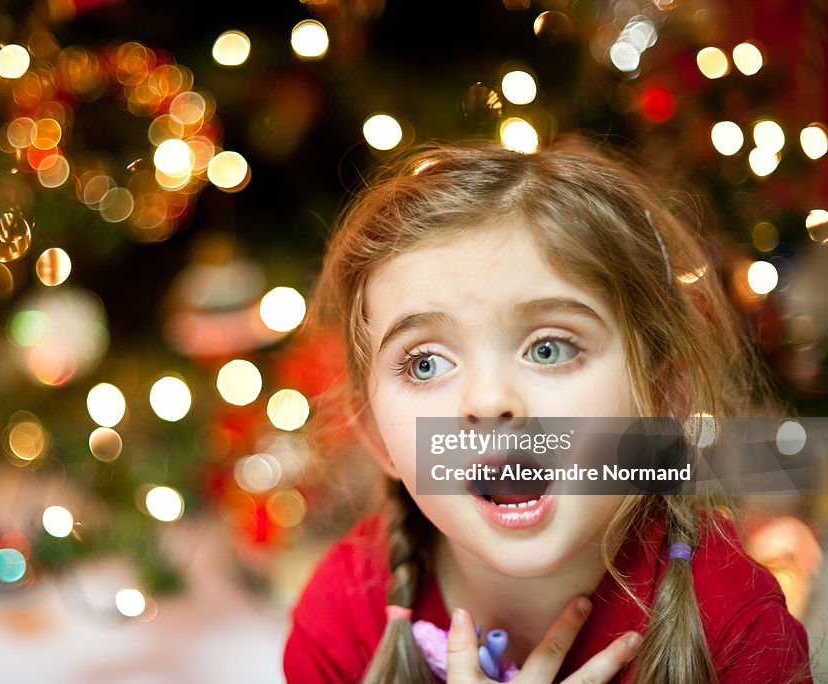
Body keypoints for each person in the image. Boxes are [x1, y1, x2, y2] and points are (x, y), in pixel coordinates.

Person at [282, 138, 815, 683]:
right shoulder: (343, 619)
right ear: (374, 434)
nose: (489, 402)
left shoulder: (737, 630)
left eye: (549, 349)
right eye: (425, 364)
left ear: (663, 398)